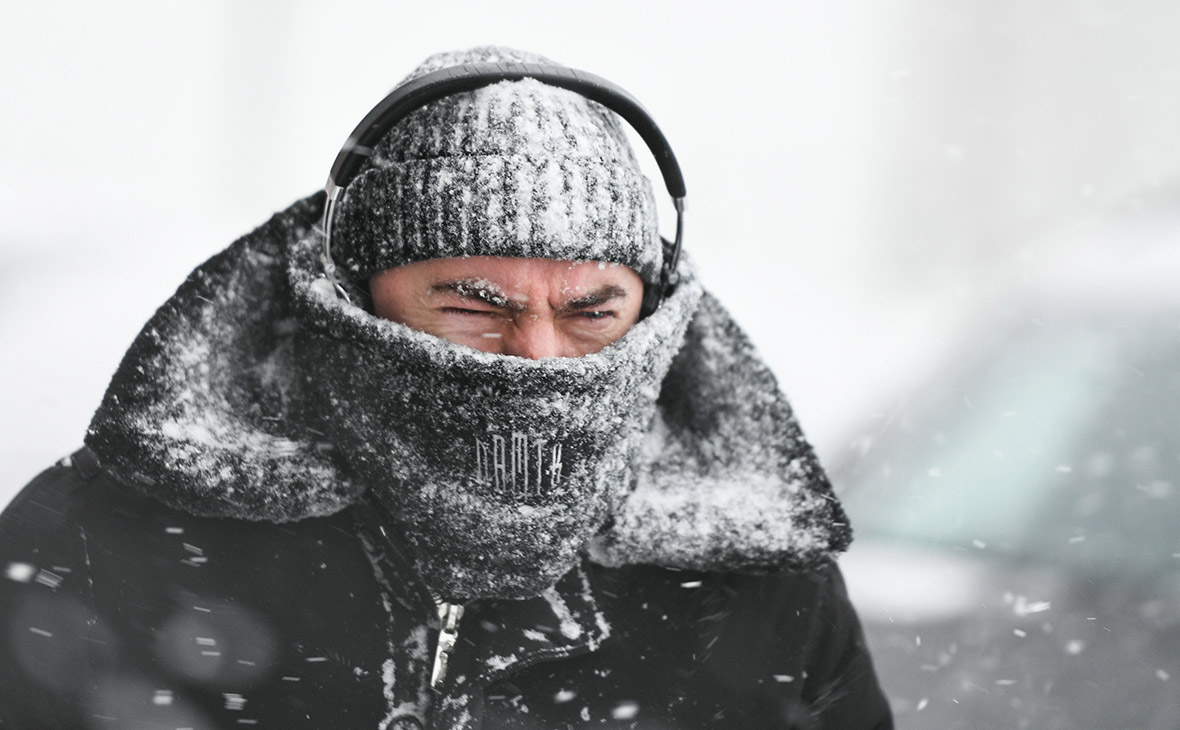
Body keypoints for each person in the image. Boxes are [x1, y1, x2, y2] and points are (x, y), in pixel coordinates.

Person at [0, 47, 892, 729]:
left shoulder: (754, 587)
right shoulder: (104, 545)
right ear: (350, 296)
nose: (537, 359)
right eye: (473, 307)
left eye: (591, 312)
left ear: (654, 312)